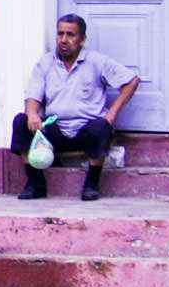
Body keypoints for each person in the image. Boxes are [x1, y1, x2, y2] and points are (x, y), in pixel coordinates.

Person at [11, 14, 140, 201]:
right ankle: (35, 183)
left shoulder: (97, 61)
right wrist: (32, 114)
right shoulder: (45, 63)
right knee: (21, 122)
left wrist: (112, 113)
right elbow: (33, 96)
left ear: (82, 39)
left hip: (85, 132)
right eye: (60, 34)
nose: (64, 40)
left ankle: (91, 184)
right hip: (53, 131)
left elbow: (132, 81)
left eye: (70, 35)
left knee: (102, 126)